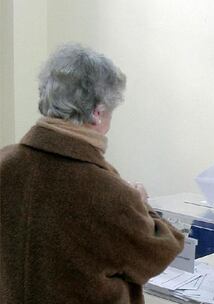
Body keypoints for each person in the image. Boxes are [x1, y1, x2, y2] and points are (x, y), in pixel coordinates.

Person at [0, 44, 184, 304]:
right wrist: (142, 204)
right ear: (97, 113)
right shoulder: (109, 192)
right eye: (110, 112)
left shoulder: (4, 162)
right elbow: (161, 251)